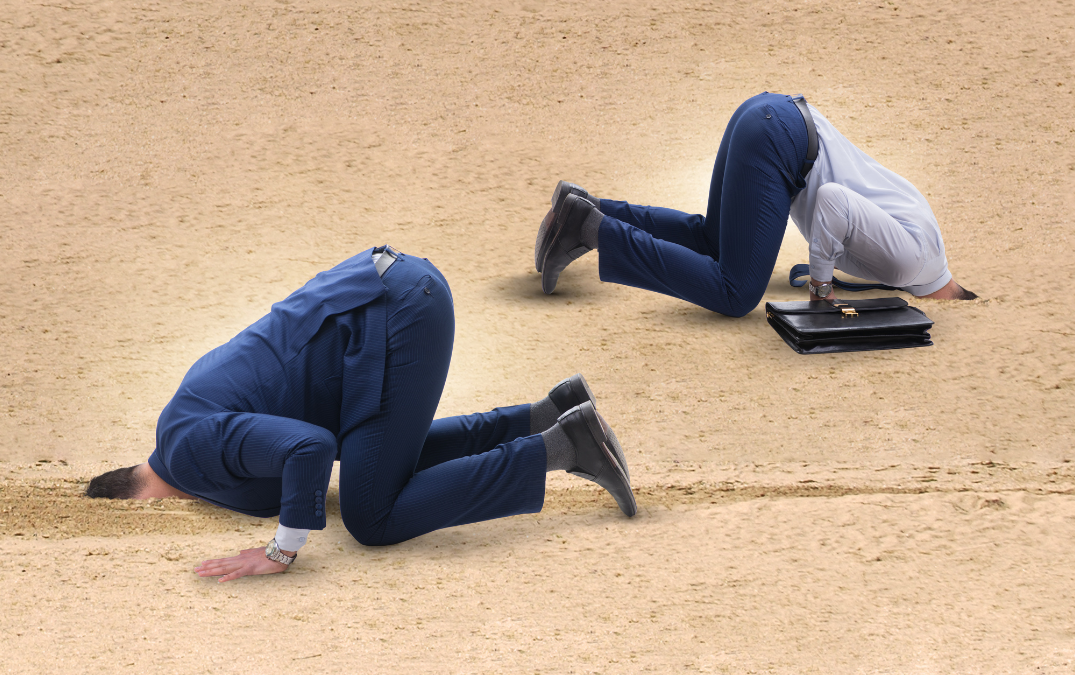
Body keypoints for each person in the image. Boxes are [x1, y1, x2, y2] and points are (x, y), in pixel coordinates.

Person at [85, 246, 635, 582]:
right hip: (386, 298)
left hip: (393, 310)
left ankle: (565, 447)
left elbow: (310, 449)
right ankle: (545, 417)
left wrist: (283, 549)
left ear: (139, 503)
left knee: (371, 516)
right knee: (374, 469)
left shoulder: (189, 452)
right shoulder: (182, 432)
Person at [535, 92, 976, 315]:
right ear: (949, 300)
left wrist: (822, 272)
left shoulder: (923, 250)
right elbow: (833, 202)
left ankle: (585, 206)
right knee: (737, 292)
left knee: (714, 242)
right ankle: (590, 228)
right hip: (779, 141)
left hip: (771, 116)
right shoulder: (911, 264)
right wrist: (822, 289)